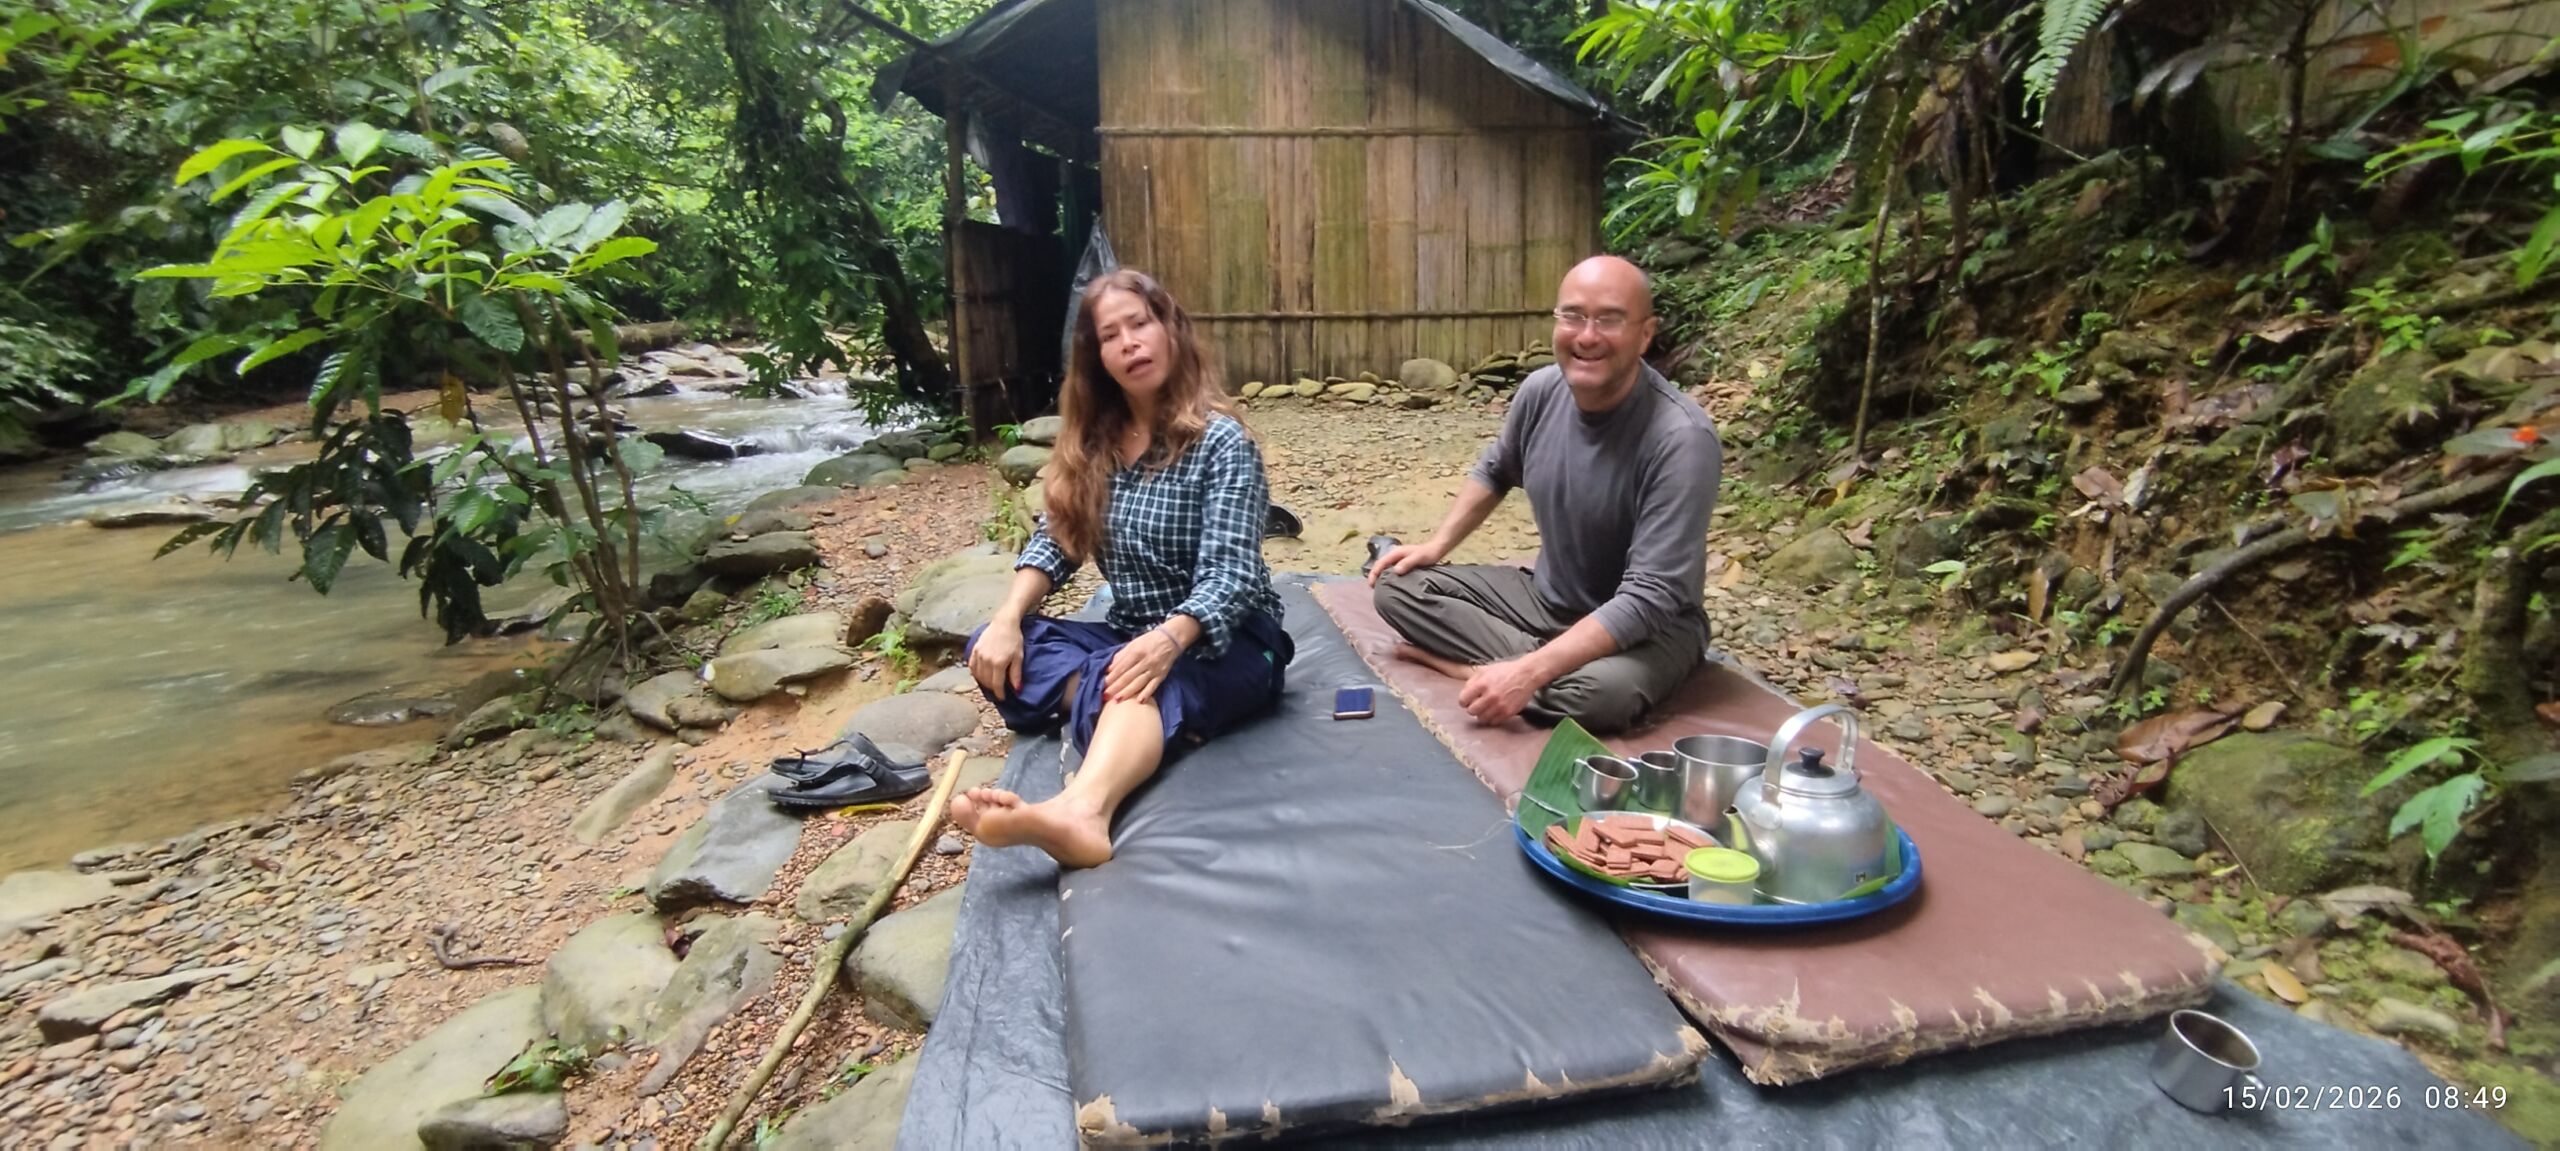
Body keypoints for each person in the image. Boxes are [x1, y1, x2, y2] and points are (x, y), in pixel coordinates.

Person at [955, 268, 1294, 868]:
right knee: (995, 643)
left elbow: (1233, 575)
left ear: (1170, 330)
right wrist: (1010, 615)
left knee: (1142, 674)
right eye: (1112, 335)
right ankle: (1142, 718)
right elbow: (1058, 539)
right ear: (1098, 358)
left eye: (1140, 323)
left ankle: (1082, 811)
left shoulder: (1222, 443)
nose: (1131, 342)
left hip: (1234, 641)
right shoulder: (1097, 444)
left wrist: (1167, 642)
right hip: (1131, 630)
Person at [1366, 255, 1721, 735]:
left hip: (1653, 629)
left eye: (1609, 319)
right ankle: (1538, 665)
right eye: (1572, 316)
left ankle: (1483, 670)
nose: (1587, 336)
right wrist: (1436, 547)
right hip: (1547, 597)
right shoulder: (1540, 391)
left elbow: (1650, 597)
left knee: (1599, 696)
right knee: (1396, 585)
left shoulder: (1681, 438)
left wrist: (1527, 672)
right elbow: (1496, 468)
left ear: (1645, 333)